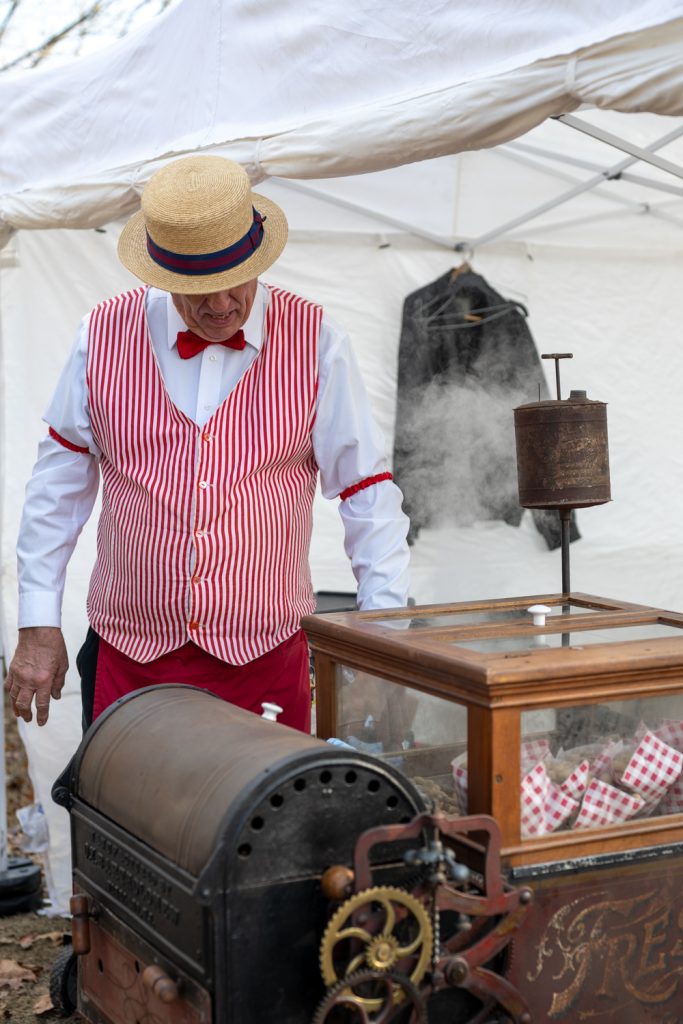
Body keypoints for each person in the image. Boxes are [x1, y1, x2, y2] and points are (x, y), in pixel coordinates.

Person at [4, 156, 410, 734]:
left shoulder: (317, 340)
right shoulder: (102, 334)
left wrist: (384, 635)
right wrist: (38, 622)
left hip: (263, 659)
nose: (220, 304)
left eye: (234, 281)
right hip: (132, 654)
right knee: (130, 821)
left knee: (263, 822)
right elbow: (57, 486)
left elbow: (366, 493)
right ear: (161, 275)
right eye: (197, 290)